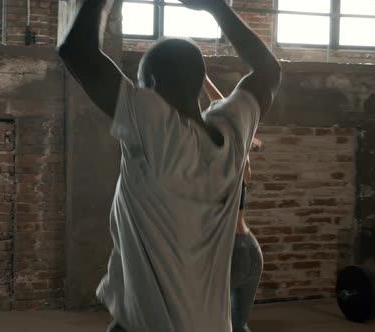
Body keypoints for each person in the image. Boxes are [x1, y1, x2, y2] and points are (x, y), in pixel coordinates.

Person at [58, 0, 281, 330]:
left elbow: (77, 51)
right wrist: (216, 7)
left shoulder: (156, 129)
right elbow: (269, 72)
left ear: (153, 86)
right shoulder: (231, 136)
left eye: (141, 84)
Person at [204, 75, 265, 332]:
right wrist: (204, 79)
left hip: (230, 253)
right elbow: (229, 114)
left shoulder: (209, 166)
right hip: (250, 248)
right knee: (238, 326)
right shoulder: (242, 160)